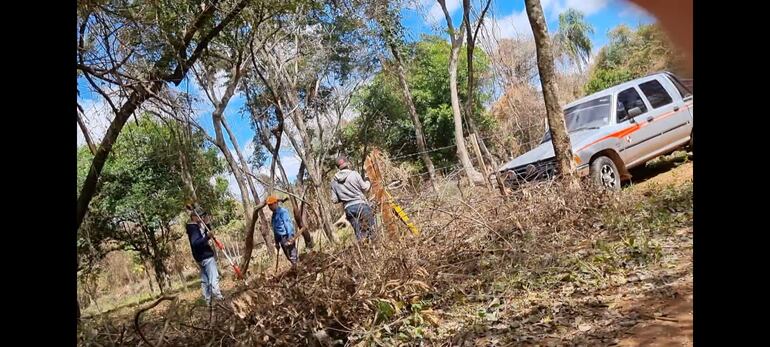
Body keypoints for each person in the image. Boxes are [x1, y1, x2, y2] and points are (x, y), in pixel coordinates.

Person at [330, 155, 376, 241]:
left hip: (349, 209)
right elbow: (365, 188)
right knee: (371, 230)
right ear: (347, 163)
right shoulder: (354, 174)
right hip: (361, 205)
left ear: (338, 167)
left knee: (360, 235)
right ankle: (376, 249)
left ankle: (364, 251)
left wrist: (343, 196)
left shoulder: (334, 182)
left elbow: (334, 200)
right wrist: (368, 181)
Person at [185, 208, 224, 304]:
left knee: (205, 279)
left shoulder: (198, 226)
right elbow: (196, 243)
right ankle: (218, 297)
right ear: (194, 217)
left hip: (201, 256)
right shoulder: (193, 228)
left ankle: (208, 300)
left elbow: (207, 232)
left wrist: (207, 224)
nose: (202, 217)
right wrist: (207, 237)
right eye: (200, 216)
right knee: (213, 277)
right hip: (204, 256)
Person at [267, 195, 298, 268]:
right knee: (288, 256)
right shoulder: (273, 215)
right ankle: (294, 267)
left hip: (287, 236)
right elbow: (275, 229)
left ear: (276, 203)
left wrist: (290, 237)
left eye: (271, 204)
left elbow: (288, 225)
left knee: (292, 255)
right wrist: (276, 242)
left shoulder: (283, 212)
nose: (270, 207)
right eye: (269, 205)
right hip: (280, 238)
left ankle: (297, 268)